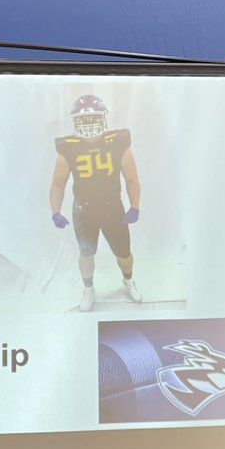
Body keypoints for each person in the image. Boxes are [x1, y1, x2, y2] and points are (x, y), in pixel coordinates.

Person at [49, 94, 142, 312]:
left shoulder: (118, 142)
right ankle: (88, 288)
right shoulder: (68, 147)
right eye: (83, 120)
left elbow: (132, 178)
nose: (89, 125)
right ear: (75, 122)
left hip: (113, 209)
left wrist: (135, 206)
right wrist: (55, 211)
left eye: (93, 119)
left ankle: (128, 280)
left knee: (124, 253)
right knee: (86, 253)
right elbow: (57, 184)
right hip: (84, 211)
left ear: (103, 118)